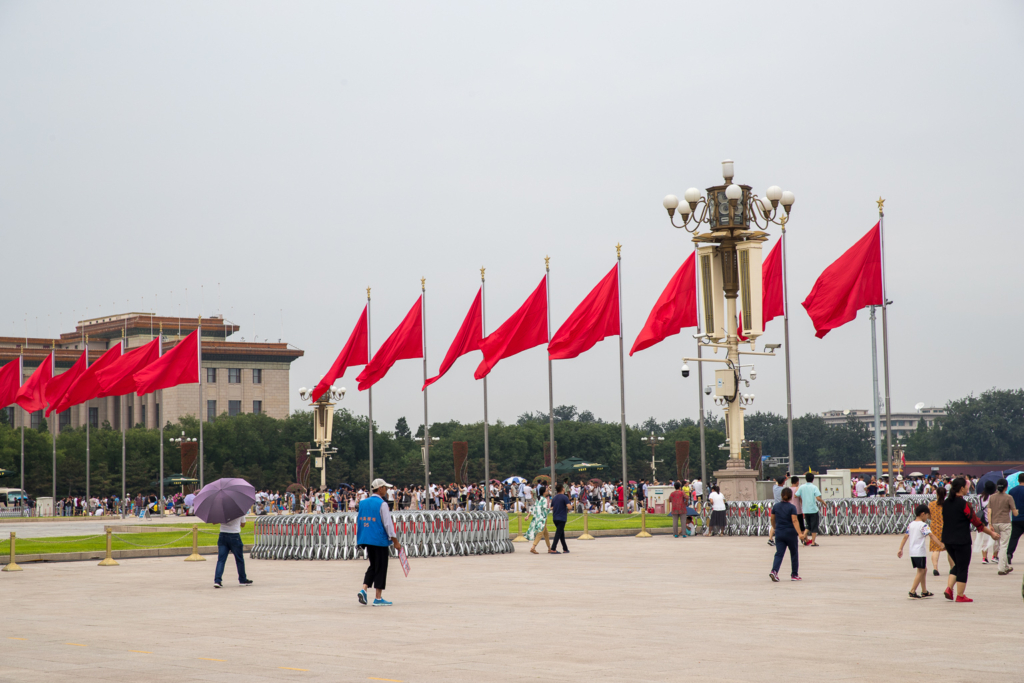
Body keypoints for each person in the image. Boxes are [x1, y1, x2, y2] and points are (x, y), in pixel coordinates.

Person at [941, 477, 1000, 602]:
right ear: (962, 488)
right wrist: (991, 533)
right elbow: (976, 522)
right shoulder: (964, 504)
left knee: (957, 564)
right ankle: (960, 595)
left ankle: (949, 588)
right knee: (963, 567)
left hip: (947, 539)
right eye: (967, 486)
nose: (968, 488)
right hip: (961, 540)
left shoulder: (946, 503)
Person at [356, 478, 402, 607]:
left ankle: (364, 589)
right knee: (381, 567)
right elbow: (388, 524)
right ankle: (378, 597)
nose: (386, 490)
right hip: (379, 540)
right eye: (385, 488)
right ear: (380, 488)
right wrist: (395, 541)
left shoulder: (363, 503)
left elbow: (360, 521)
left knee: (373, 565)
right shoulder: (382, 504)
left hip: (367, 539)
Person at [898, 503, 944, 598]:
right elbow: (931, 535)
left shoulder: (911, 524)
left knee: (924, 569)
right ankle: (912, 591)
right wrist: (940, 544)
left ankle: (924, 591)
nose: (927, 518)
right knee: (921, 571)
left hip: (913, 552)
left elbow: (905, 537)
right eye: (927, 515)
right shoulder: (923, 525)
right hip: (919, 552)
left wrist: (900, 548)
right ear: (923, 514)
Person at [769, 487, 807, 582]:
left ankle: (774, 571)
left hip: (779, 533)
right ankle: (794, 574)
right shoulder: (792, 507)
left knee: (779, 553)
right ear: (791, 497)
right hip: (790, 533)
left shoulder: (776, 506)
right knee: (794, 553)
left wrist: (775, 527)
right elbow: (794, 520)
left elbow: (772, 519)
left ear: (781, 496)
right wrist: (800, 533)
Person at [213, 510, 252, 589]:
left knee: (221, 560)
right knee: (239, 559)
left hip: (223, 534)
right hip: (234, 535)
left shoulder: (222, 510)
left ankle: (217, 580)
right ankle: (242, 579)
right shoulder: (239, 510)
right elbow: (243, 524)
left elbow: (214, 522)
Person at [988, 478, 1018, 575]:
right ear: (1006, 487)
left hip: (994, 523)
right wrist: (1017, 511)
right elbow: (1014, 512)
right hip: (1005, 522)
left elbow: (989, 511)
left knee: (999, 545)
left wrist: (990, 524)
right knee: (1004, 546)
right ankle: (1001, 568)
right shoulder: (1008, 497)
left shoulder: (992, 497)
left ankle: (1006, 566)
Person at [796, 473, 824, 547]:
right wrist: (823, 502)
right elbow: (818, 498)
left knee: (808, 525)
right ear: (813, 479)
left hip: (805, 509)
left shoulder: (801, 487)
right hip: (813, 509)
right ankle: (813, 542)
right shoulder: (814, 487)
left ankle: (803, 536)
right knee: (814, 526)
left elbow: (796, 495)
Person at [526, 485, 554, 554]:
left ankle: (549, 548)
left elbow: (533, 508)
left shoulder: (538, 499)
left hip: (537, 518)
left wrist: (528, 515)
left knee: (546, 533)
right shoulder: (544, 499)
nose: (548, 492)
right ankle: (533, 547)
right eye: (547, 491)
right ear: (544, 492)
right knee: (540, 533)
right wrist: (551, 508)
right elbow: (544, 509)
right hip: (542, 519)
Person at [928, 486, 947, 577]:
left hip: (934, 527)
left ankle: (935, 568)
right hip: (946, 527)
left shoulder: (931, 504)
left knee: (936, 549)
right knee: (949, 548)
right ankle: (952, 567)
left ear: (937, 494)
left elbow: (929, 516)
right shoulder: (947, 504)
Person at [978, 481, 997, 564]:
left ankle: (984, 558)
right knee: (996, 539)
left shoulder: (980, 497)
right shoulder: (995, 497)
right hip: (994, 521)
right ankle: (995, 556)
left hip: (983, 521)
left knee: (984, 540)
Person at [1007, 479, 1024, 565]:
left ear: (1018, 480)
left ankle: (1009, 553)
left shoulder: (1012, 491)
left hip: (1016, 518)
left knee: (1014, 538)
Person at [549, 483, 571, 553]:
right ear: (563, 489)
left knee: (561, 533)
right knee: (558, 534)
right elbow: (569, 507)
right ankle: (553, 548)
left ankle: (565, 548)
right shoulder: (565, 497)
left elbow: (552, 507)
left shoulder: (554, 498)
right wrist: (571, 506)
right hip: (562, 518)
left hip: (555, 517)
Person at [768, 476, 787, 546]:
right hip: (782, 507)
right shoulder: (783, 489)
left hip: (776, 506)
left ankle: (770, 538)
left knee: (775, 523)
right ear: (783, 482)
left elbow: (777, 483)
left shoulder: (774, 487)